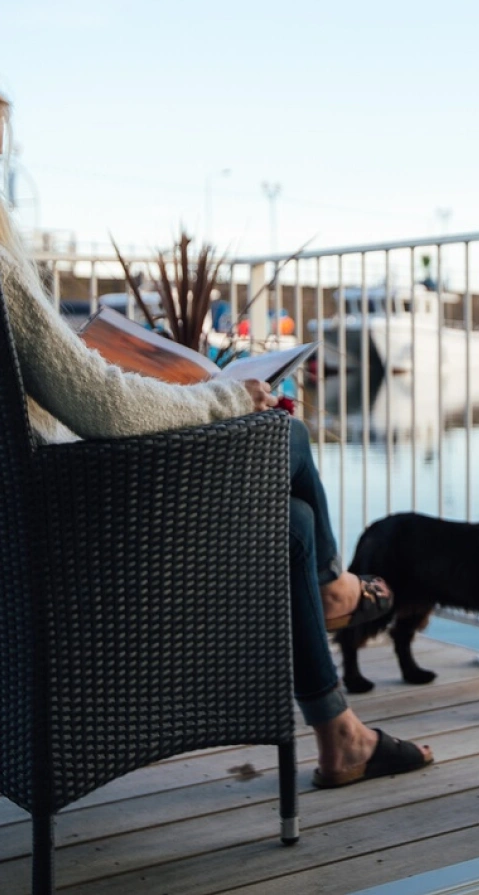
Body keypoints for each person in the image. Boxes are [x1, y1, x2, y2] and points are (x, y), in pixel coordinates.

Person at [0, 186, 433, 789]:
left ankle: (342, 734)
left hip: (24, 535)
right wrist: (222, 395)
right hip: (62, 546)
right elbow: (102, 406)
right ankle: (335, 590)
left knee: (291, 525)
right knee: (284, 435)